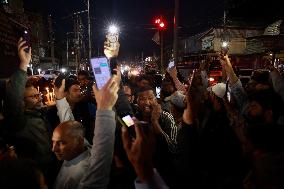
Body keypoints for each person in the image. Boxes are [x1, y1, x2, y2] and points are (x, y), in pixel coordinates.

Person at [3, 38, 56, 187]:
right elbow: (13, 99)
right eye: (33, 96)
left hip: (50, 169)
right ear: (22, 102)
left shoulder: (39, 113)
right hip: (35, 175)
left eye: (38, 94)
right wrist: (23, 65)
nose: (39, 98)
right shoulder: (19, 121)